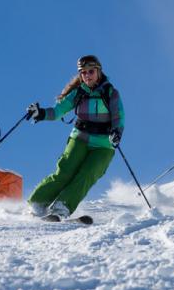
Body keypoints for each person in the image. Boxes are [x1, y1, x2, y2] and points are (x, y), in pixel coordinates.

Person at [26, 55, 125, 219]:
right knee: (65, 171)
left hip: (104, 144)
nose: (87, 76)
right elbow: (58, 111)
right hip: (80, 138)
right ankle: (38, 202)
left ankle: (62, 206)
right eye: (83, 73)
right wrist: (41, 113)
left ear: (99, 71)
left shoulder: (110, 93)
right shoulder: (78, 93)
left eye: (91, 71)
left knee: (87, 174)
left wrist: (117, 132)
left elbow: (118, 117)